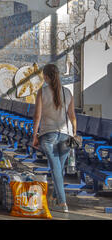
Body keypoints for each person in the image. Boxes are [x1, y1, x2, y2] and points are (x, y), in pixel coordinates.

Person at [32, 64, 77, 213]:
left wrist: (34, 135)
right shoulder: (67, 92)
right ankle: (56, 199)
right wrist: (74, 132)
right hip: (66, 135)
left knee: (56, 168)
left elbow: (37, 116)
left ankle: (63, 203)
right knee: (58, 169)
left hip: (48, 135)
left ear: (45, 77)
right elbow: (72, 116)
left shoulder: (42, 92)